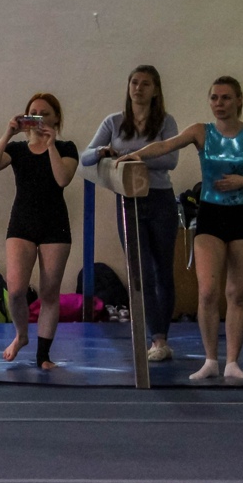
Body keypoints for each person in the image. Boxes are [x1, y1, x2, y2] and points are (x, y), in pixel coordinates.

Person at [118, 77, 243, 380]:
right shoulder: (201, 132)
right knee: (207, 292)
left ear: (239, 100)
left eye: (226, 98)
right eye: (214, 97)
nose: (219, 103)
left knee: (238, 293)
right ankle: (211, 360)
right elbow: (166, 145)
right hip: (211, 215)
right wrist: (137, 155)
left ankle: (233, 362)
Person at [82, 66, 179, 361]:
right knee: (141, 272)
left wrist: (134, 157)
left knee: (163, 270)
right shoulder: (114, 122)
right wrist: (102, 152)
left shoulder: (165, 122)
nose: (138, 88)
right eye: (134, 83)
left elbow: (171, 159)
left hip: (160, 199)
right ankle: (156, 339)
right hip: (128, 201)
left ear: (155, 90)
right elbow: (85, 157)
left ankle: (163, 335)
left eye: (145, 84)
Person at [0, 93, 79, 369]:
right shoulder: (18, 150)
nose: (39, 118)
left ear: (56, 118)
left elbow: (62, 179)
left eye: (45, 114)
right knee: (15, 290)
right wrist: (8, 132)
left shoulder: (66, 148)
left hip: (54, 225)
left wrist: (50, 145)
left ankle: (43, 355)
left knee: (49, 292)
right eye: (33, 113)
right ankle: (21, 335)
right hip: (22, 223)